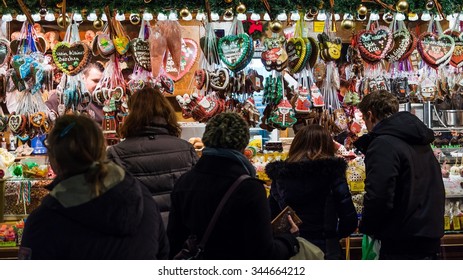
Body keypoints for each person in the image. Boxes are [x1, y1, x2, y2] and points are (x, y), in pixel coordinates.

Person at [19, 115, 168, 259]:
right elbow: (163, 255)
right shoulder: (142, 197)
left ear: (54, 160)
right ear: (101, 149)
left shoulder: (44, 221)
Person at [167, 112, 300, 260]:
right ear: (243, 144)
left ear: (208, 139)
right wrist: (289, 240)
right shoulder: (250, 189)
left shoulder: (184, 182)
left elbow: (174, 241)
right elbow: (264, 253)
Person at [354, 90, 445, 260]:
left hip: (401, 242)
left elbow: (379, 195)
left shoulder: (383, 144)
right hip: (428, 238)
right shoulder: (420, 141)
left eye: (365, 119)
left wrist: (367, 226)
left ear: (370, 115)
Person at [107, 87, 198, 227]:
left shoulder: (116, 153)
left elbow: (112, 201)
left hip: (140, 233)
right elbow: (194, 193)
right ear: (166, 112)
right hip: (178, 228)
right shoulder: (186, 149)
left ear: (132, 115)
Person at [265, 124, 358, 259]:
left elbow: (271, 215)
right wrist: (333, 235)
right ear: (327, 145)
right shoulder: (332, 173)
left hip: (291, 247)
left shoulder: (280, 176)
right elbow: (349, 219)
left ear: (296, 144)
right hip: (326, 248)